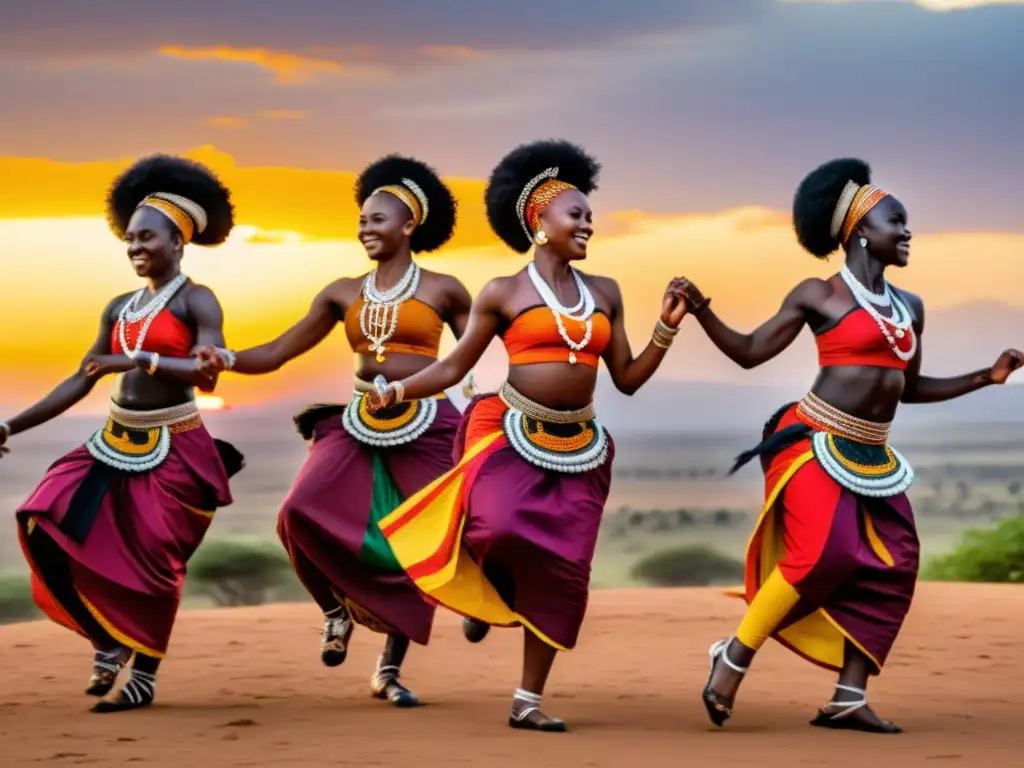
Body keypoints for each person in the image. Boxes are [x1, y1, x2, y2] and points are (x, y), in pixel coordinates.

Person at [677, 157, 1023, 733]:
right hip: (814, 440)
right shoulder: (820, 294)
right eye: (897, 220)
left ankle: (847, 697)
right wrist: (703, 311)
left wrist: (984, 377)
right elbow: (748, 351)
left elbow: (908, 388)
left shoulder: (909, 308)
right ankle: (732, 657)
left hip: (874, 453)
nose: (907, 231)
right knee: (821, 554)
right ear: (862, 229)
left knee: (895, 564)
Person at [365, 139, 687, 731]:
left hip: (581, 446)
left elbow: (629, 379)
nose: (588, 223)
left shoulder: (606, 293)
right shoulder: (501, 293)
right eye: (577, 214)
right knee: (498, 527)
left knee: (563, 569)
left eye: (591, 215)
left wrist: (666, 330)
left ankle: (528, 700)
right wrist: (396, 390)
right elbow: (453, 367)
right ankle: (486, 585)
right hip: (507, 433)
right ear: (540, 220)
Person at [195, 155, 470, 708]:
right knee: (296, 513)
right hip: (358, 421)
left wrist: (488, 413)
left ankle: (389, 671)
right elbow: (275, 352)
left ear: (409, 225)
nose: (365, 228)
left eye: (377, 219)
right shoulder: (342, 292)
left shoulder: (447, 290)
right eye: (362, 220)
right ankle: (333, 611)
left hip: (430, 424)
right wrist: (223, 357)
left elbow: (473, 356)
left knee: (418, 540)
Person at [1, 155, 243, 713]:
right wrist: (9, 423)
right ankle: (108, 640)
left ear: (178, 241)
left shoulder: (195, 299)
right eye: (129, 238)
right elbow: (81, 377)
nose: (135, 247)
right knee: (42, 525)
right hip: (112, 440)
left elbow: (208, 369)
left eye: (147, 237)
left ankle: (144, 675)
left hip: (176, 445)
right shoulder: (119, 307)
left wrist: (137, 359)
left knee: (157, 560)